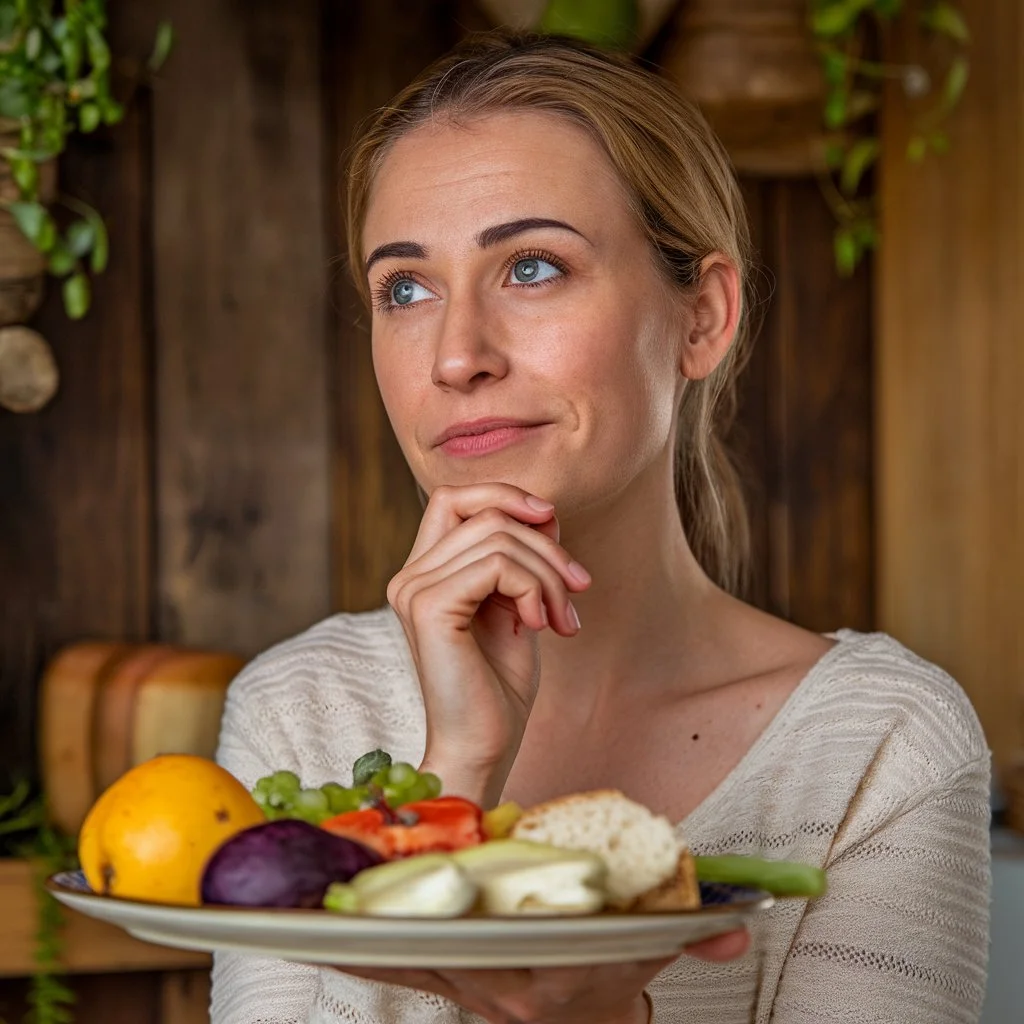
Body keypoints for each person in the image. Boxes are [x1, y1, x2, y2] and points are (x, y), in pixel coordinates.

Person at [210, 29, 991, 1024]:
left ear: (701, 317)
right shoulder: (301, 714)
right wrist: (448, 777)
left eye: (532, 267)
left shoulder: (883, 747)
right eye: (404, 288)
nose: (456, 356)